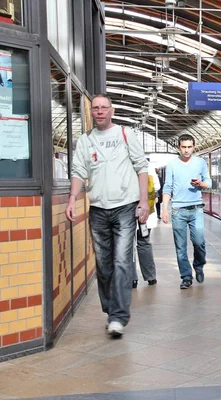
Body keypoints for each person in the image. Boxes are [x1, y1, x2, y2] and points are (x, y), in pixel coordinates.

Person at [65, 94, 149, 338]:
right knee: (103, 264)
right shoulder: (85, 140)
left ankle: (118, 316)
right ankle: (111, 309)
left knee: (122, 261)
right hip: (98, 209)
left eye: (104, 107)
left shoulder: (125, 134)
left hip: (125, 206)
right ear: (91, 112)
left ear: (112, 111)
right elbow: (79, 170)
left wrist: (143, 201)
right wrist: (72, 198)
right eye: (96, 108)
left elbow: (141, 167)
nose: (100, 111)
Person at [161, 134, 212, 289]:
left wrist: (201, 183)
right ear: (179, 147)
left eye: (189, 147)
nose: (186, 150)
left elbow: (209, 182)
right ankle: (186, 277)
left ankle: (199, 265)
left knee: (199, 242)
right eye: (183, 147)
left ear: (194, 146)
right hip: (178, 210)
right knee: (180, 247)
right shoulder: (172, 165)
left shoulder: (200, 163)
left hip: (196, 208)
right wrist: (164, 209)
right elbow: (167, 187)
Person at [132, 165, 159, 288]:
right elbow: (156, 188)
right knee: (144, 242)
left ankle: (131, 278)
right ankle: (150, 277)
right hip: (145, 213)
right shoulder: (148, 167)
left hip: (126, 211)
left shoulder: (121, 164)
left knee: (128, 245)